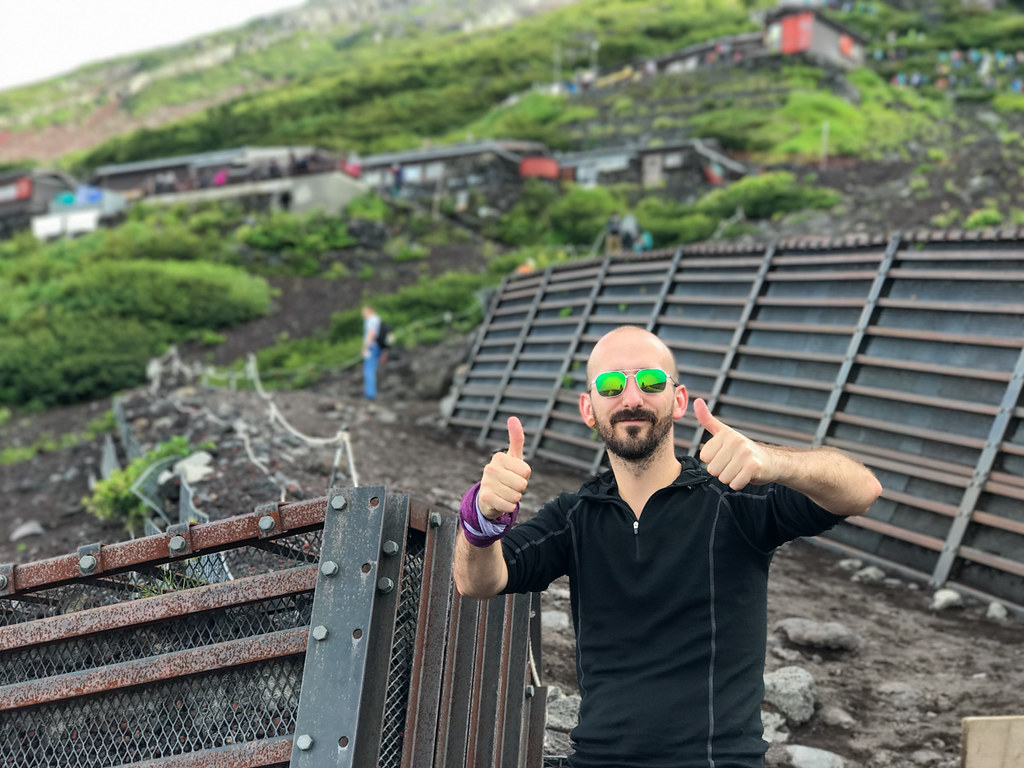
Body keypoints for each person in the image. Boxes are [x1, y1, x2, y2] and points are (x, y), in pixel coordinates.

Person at [453, 325, 882, 768]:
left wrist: (774, 461)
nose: (632, 398)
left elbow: (861, 489)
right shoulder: (574, 517)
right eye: (611, 384)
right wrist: (482, 519)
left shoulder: (733, 499)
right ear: (589, 408)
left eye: (651, 381)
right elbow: (478, 580)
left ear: (678, 400)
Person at [361, 305, 383, 400]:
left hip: (372, 348)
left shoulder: (370, 320)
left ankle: (370, 394)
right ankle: (372, 393)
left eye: (364, 312)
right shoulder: (377, 319)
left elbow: (371, 334)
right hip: (378, 347)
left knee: (368, 371)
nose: (363, 315)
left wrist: (365, 348)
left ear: (369, 311)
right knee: (372, 370)